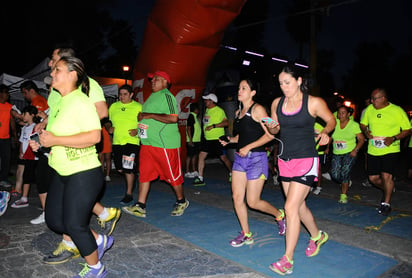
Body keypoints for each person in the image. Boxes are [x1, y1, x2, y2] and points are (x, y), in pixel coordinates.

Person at [30, 56, 112, 277]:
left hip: (83, 171)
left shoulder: (80, 101)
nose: (52, 73)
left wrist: (55, 140)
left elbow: (95, 136)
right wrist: (42, 142)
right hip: (62, 170)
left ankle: (96, 268)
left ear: (72, 74)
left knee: (75, 225)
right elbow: (59, 136)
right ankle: (98, 239)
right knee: (55, 220)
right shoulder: (60, 102)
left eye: (57, 69)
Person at [266, 63, 336, 275]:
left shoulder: (313, 102)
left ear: (298, 81)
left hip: (306, 160)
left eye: (287, 82)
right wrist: (271, 126)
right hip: (285, 160)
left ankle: (287, 259)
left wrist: (325, 132)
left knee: (289, 208)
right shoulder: (277, 103)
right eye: (280, 83)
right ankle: (318, 236)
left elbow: (331, 120)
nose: (284, 87)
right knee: (298, 206)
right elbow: (276, 128)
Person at [220, 78, 286, 248]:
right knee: (236, 197)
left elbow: (270, 135)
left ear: (253, 92)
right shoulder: (238, 113)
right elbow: (243, 136)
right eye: (239, 88)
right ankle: (246, 233)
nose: (239, 91)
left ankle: (279, 214)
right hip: (240, 159)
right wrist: (231, 141)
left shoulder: (258, 110)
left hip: (257, 158)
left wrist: (249, 146)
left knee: (253, 202)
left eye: (244, 88)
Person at [122, 70, 189, 217]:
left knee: (172, 176)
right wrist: (139, 127)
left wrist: (150, 115)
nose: (152, 81)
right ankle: (140, 206)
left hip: (164, 144)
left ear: (165, 82)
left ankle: (181, 200)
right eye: (152, 79)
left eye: (156, 79)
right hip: (147, 144)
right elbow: (147, 120)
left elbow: (173, 118)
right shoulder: (151, 97)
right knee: (144, 174)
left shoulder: (167, 96)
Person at [360, 88, 411, 216]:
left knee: (386, 176)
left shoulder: (397, 110)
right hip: (373, 149)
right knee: (373, 178)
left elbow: (407, 129)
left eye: (374, 98)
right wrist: (366, 132)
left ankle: (386, 203)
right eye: (371, 98)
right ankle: (388, 188)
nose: (372, 101)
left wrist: (393, 138)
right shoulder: (370, 109)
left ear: (383, 98)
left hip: (391, 148)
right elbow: (362, 124)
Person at [18, 80, 50, 224]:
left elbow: (40, 118)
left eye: (24, 93)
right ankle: (47, 212)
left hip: (51, 143)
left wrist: (43, 120)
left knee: (46, 178)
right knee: (42, 177)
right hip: (45, 144)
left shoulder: (39, 101)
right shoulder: (52, 99)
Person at [108, 84, 142, 204]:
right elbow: (108, 121)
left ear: (131, 94)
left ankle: (129, 194)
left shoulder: (138, 107)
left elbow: (145, 125)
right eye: (120, 94)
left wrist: (137, 131)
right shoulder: (113, 106)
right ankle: (132, 175)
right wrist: (109, 128)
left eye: (125, 94)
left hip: (132, 142)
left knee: (128, 169)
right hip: (117, 142)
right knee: (120, 169)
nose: (122, 97)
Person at [193, 93, 232, 186]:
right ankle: (200, 178)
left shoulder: (219, 110)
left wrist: (214, 126)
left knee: (223, 158)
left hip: (218, 139)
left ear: (212, 101)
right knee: (201, 156)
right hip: (207, 139)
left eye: (207, 100)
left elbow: (226, 123)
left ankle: (232, 172)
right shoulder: (207, 110)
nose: (205, 101)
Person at [330, 105, 364, 204]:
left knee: (344, 173)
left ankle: (343, 195)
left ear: (348, 114)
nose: (340, 115)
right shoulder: (335, 124)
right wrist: (327, 147)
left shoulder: (354, 125)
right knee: (335, 175)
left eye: (343, 113)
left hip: (349, 152)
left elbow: (361, 139)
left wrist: (356, 150)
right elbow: (331, 137)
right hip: (337, 152)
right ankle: (346, 180)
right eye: (339, 113)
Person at [10, 106, 41, 209]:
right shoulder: (24, 128)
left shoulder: (36, 127)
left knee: (37, 179)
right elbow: (22, 141)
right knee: (26, 177)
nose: (22, 116)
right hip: (26, 157)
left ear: (32, 114)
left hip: (34, 157)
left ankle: (41, 200)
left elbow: (37, 143)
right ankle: (24, 198)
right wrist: (21, 152)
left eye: (24, 113)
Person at [0, 85, 18, 188]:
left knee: (6, 159)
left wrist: (15, 136)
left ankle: (3, 179)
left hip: (6, 138)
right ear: (1, 93)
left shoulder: (9, 107)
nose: (8, 95)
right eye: (6, 93)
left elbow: (12, 123)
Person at [184, 102, 201, 178]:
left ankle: (194, 170)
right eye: (198, 109)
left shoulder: (194, 117)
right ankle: (187, 172)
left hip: (196, 140)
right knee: (189, 156)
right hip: (192, 140)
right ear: (195, 109)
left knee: (194, 155)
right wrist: (190, 140)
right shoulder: (191, 116)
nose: (199, 110)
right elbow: (188, 128)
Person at [98, 117, 112, 182]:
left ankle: (107, 175)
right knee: (101, 159)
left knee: (108, 158)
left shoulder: (108, 121)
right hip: (100, 141)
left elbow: (110, 131)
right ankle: (101, 175)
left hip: (107, 141)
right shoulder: (97, 120)